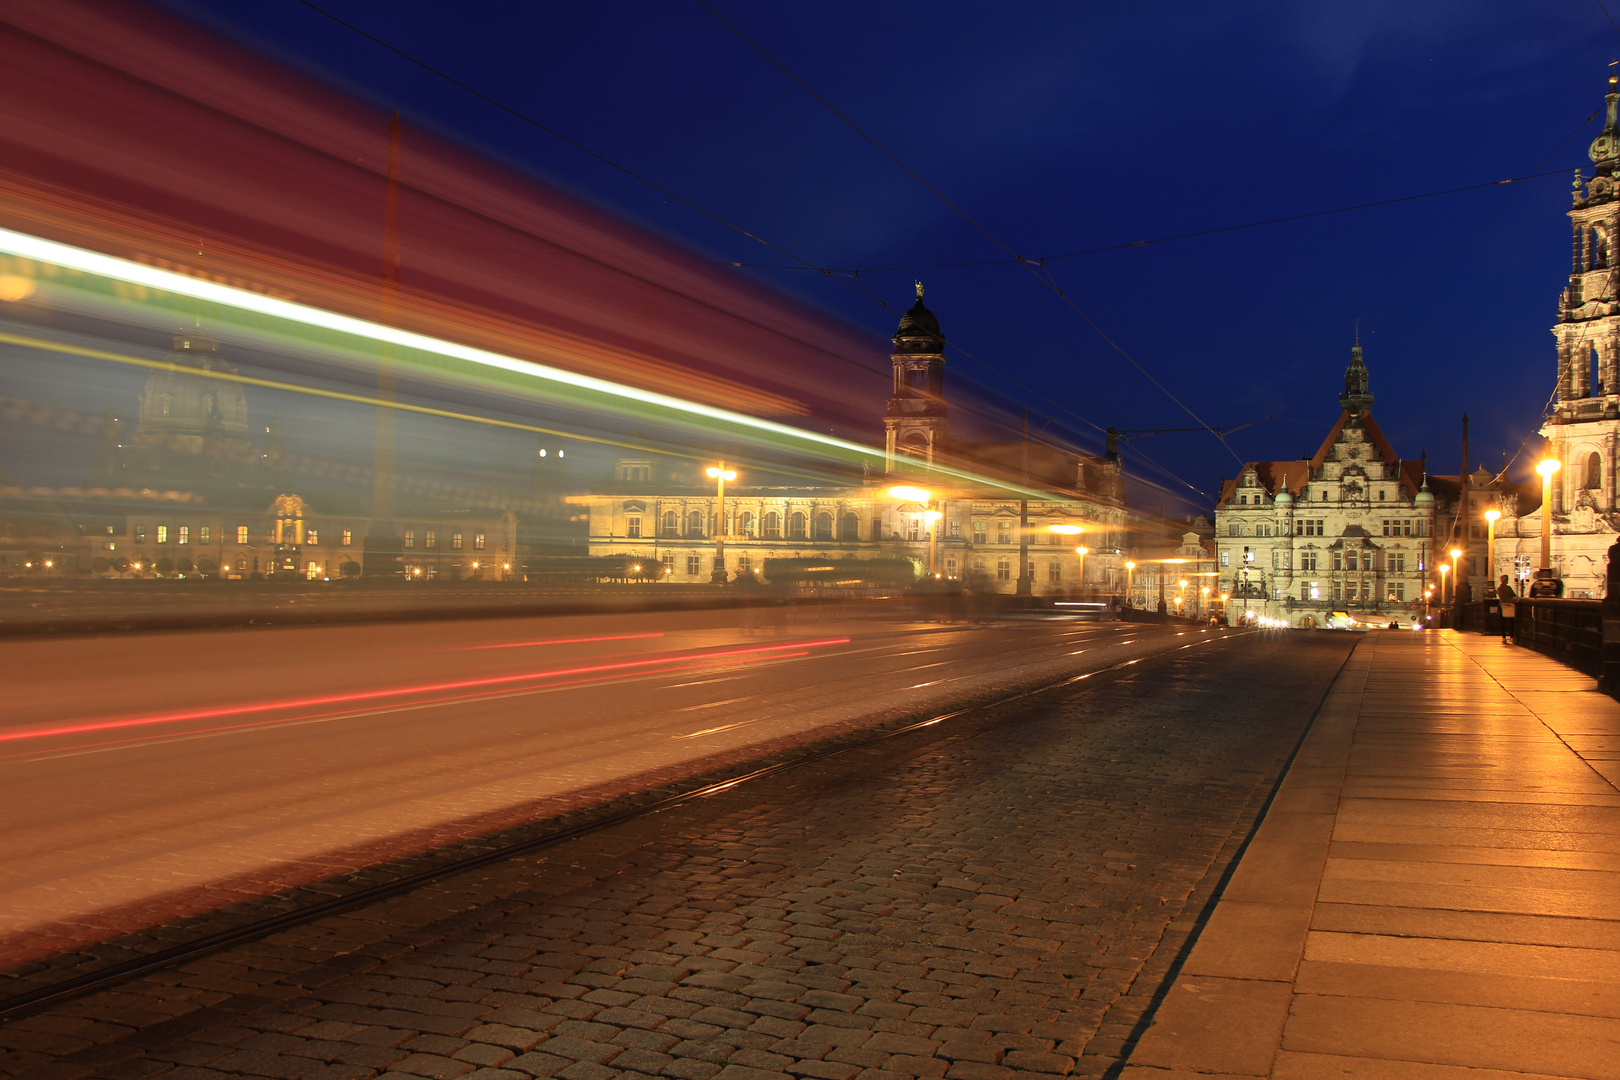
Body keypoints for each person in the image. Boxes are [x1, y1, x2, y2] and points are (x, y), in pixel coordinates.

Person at [1496, 574, 1517, 642]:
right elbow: (1513, 596)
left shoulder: (1499, 589)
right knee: (1511, 622)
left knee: (1503, 622)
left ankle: (1503, 637)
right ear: (1506, 580)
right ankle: (1511, 636)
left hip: (1502, 606)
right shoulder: (1508, 588)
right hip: (1509, 606)